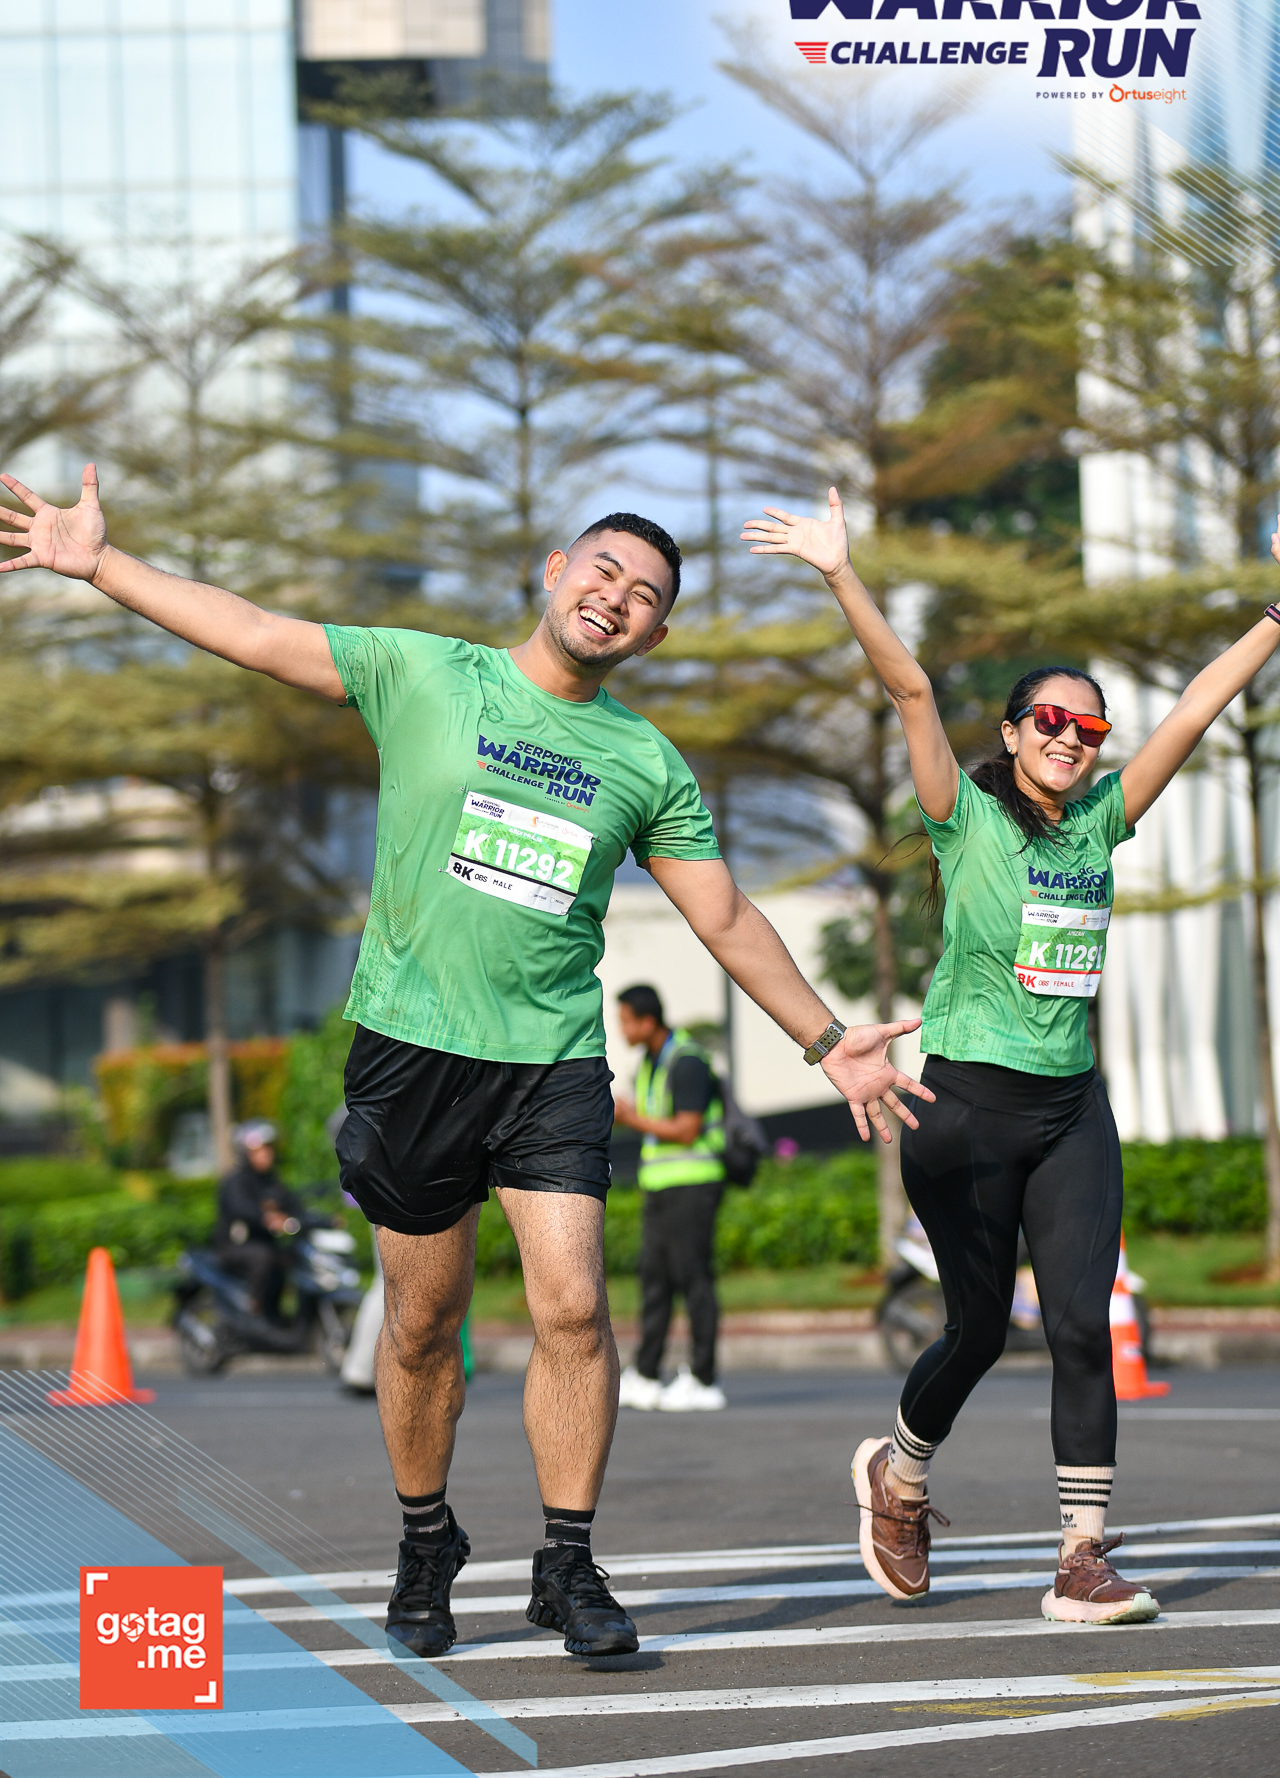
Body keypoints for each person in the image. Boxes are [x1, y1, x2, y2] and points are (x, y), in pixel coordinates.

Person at [0, 464, 929, 1661]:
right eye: (602, 570)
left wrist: (824, 1037)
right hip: (412, 1052)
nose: (616, 598)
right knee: (419, 1325)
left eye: (644, 596)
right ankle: (425, 1538)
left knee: (573, 1308)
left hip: (550, 1063)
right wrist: (101, 567)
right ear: (553, 572)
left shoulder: (645, 763)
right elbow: (256, 633)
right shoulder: (427, 673)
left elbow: (726, 917)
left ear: (653, 635)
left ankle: (567, 1561)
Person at [743, 486, 1280, 1626]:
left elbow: (1195, 707)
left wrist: (1278, 615)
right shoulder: (965, 819)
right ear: (1011, 730)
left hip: (1070, 1110)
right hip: (962, 1110)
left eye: (1088, 729)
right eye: (1048, 720)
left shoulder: (1103, 820)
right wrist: (840, 573)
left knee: (1081, 1326)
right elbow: (908, 688)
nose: (1068, 739)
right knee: (979, 1329)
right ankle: (897, 1477)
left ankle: (1081, 1555)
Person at [613, 985, 727, 1412]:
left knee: (694, 1278)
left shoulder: (686, 1061)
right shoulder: (651, 1062)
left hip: (693, 1184)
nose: (622, 1030)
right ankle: (646, 1373)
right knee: (654, 1279)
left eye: (626, 1021)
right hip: (662, 1185)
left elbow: (687, 1129)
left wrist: (631, 1119)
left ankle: (704, 1379)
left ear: (647, 1022)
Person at [215, 1120, 304, 1323]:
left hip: (264, 1244)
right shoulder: (235, 1181)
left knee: (289, 1257)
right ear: (246, 1153)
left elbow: (293, 1204)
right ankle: (252, 1306)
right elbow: (239, 1208)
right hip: (233, 1247)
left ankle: (276, 1313)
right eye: (261, 1150)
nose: (267, 1154)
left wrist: (317, 1219)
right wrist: (267, 1219)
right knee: (263, 1256)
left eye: (269, 1149)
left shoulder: (271, 1180)